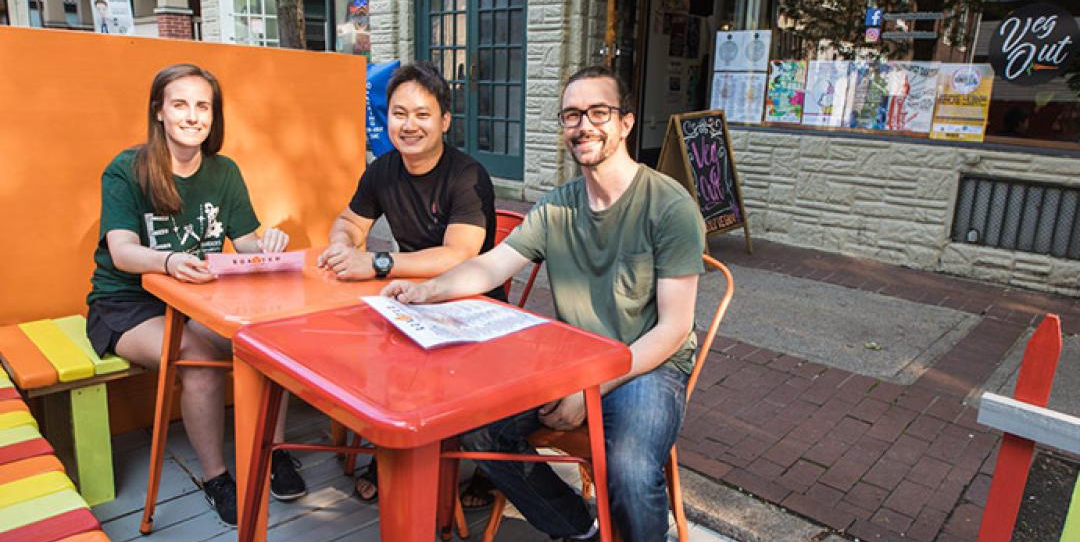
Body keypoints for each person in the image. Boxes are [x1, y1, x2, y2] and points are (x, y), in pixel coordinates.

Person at [381, 65, 707, 542]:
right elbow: (492, 266)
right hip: (574, 361)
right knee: (480, 428)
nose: (584, 125)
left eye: (599, 112)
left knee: (631, 471)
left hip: (648, 366)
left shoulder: (670, 206)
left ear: (626, 123)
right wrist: (425, 290)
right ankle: (580, 528)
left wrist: (590, 389)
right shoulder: (558, 206)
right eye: (572, 115)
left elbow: (673, 329)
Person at [85, 63, 307, 527]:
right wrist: (169, 262)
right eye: (180, 104)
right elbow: (122, 252)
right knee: (198, 357)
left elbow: (245, 241)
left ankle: (276, 452)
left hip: (200, 297)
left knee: (274, 343)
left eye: (202, 106)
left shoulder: (224, 171)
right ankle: (217, 478)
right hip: (128, 302)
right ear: (159, 112)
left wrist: (269, 243)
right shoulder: (127, 169)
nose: (192, 116)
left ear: (214, 115)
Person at [316, 60, 502, 507]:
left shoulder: (467, 174)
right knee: (351, 344)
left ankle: (486, 463)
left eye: (422, 114)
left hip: (472, 305)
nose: (409, 124)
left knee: (397, 356)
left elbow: (459, 255)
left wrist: (378, 262)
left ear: (444, 121)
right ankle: (395, 448)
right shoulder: (383, 170)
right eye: (399, 113)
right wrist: (343, 243)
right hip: (411, 299)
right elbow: (348, 220)